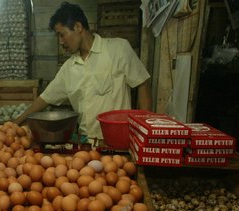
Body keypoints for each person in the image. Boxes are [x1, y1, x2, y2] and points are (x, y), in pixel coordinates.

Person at [15, 2, 152, 142]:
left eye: (62, 35)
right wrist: (16, 122)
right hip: (86, 143)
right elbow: (44, 99)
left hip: (117, 141)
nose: (61, 42)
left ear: (78, 27)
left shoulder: (118, 49)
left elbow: (142, 83)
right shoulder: (69, 68)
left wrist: (144, 129)